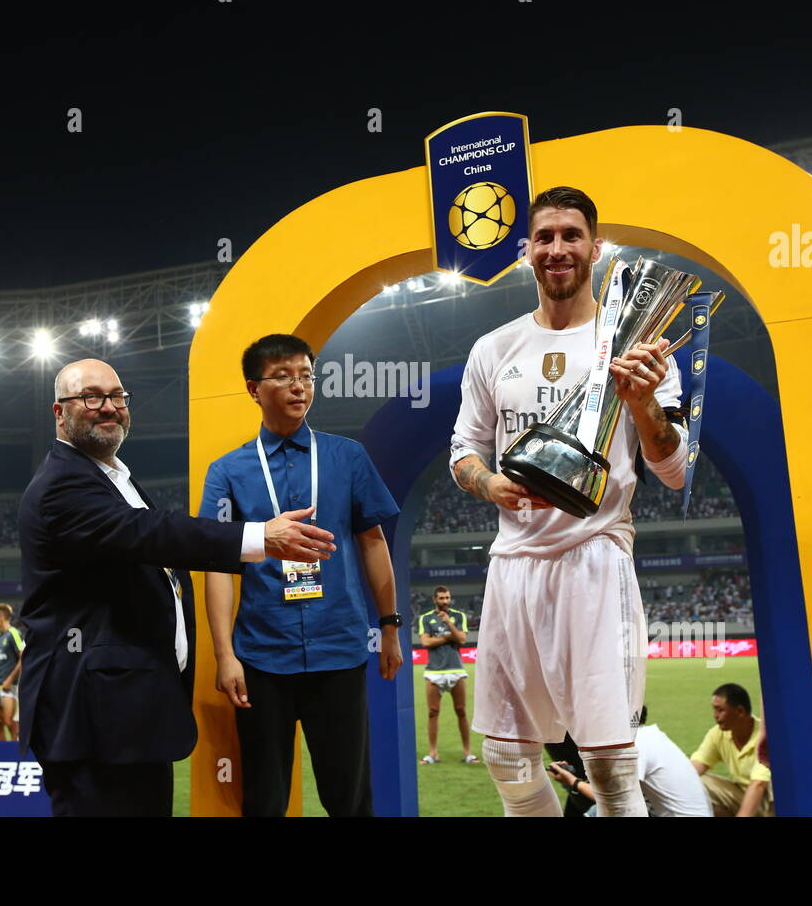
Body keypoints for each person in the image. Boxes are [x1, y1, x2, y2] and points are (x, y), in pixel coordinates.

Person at [449, 186, 689, 817]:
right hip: (512, 565)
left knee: (609, 763)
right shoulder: (493, 349)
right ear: (528, 249)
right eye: (546, 237)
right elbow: (463, 452)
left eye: (571, 235)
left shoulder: (640, 344)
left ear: (595, 247)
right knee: (507, 756)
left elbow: (674, 469)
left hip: (594, 559)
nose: (558, 248)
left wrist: (642, 405)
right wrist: (488, 482)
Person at [19, 357, 335, 817]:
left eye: (117, 396)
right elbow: (152, 534)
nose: (108, 407)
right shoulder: (62, 484)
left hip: (130, 713)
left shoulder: (110, 476)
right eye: (91, 397)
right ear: (59, 411)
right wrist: (258, 536)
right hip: (93, 716)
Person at [200, 334, 403, 817]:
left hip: (340, 649)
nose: (299, 387)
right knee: (265, 799)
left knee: (349, 797)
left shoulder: (347, 457)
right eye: (284, 376)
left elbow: (373, 543)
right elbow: (218, 565)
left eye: (307, 376)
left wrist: (390, 625)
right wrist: (226, 655)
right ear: (254, 389)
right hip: (262, 658)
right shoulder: (228, 471)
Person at [546, 706, 712, 816]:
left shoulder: (636, 744)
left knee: (599, 812)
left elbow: (611, 798)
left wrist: (572, 782)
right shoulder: (650, 735)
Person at [690, 683, 774, 817]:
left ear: (740, 711)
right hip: (742, 795)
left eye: (720, 710)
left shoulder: (764, 738)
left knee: (773, 788)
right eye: (714, 710)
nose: (715, 715)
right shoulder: (717, 734)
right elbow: (694, 768)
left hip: (767, 800)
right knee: (696, 780)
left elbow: (759, 784)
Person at [417, 587, 477, 764]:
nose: (445, 601)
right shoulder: (426, 618)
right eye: (442, 598)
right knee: (433, 712)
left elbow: (463, 640)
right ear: (435, 599)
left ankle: (468, 753)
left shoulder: (459, 616)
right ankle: (433, 753)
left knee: (461, 711)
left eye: (447, 597)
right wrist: (450, 637)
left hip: (456, 670)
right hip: (433, 671)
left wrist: (449, 625)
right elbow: (426, 642)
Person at [0, 604, 23, 741]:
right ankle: (1, 753)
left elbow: (23, 657)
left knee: (10, 722)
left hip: (9, 685)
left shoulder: (14, 633)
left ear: (1, 618)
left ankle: (14, 753)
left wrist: (10, 679)